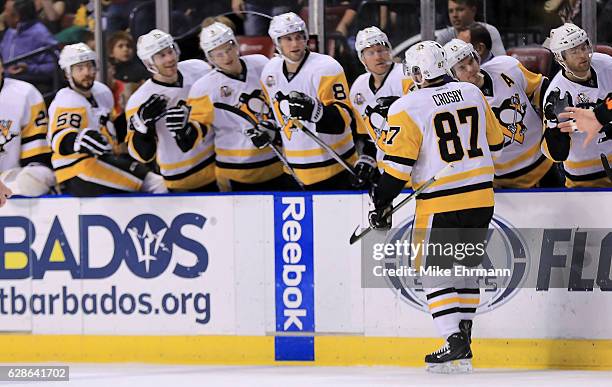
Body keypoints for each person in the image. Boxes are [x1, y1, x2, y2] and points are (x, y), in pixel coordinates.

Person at [370, 41, 504, 373]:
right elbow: (497, 143)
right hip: (481, 198)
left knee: (434, 272)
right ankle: (464, 338)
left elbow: (397, 167)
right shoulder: (471, 93)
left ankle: (450, 338)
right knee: (464, 270)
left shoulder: (407, 106)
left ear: (418, 72)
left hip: (441, 201)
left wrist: (381, 201)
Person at [260, 12, 370, 190]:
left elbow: (345, 119)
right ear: (277, 43)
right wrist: (270, 128)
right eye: (288, 39)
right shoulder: (269, 72)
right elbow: (279, 117)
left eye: (299, 37)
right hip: (293, 172)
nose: (295, 43)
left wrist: (315, 112)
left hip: (337, 167)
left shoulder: (326, 67)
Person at [48, 43, 166, 196]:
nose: (87, 73)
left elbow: (112, 128)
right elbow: (59, 138)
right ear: (67, 74)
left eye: (90, 67)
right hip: (75, 169)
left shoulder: (101, 91)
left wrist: (139, 118)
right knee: (154, 183)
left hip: (103, 160)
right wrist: (79, 140)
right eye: (80, 68)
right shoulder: (66, 100)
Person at [443, 38, 558, 188]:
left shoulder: (506, 67)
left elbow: (541, 89)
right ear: (453, 75)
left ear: (477, 57)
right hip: (502, 182)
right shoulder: (456, 104)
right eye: (462, 68)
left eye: (471, 61)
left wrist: (553, 127)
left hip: (545, 165)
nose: (470, 69)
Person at [188, 22, 286, 191]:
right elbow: (197, 131)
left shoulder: (261, 64)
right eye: (218, 54)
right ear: (209, 57)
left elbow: (280, 102)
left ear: (236, 44)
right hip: (236, 173)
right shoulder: (202, 88)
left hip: (278, 164)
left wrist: (275, 128)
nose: (226, 57)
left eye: (228, 48)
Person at [126, 29, 215, 192]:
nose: (170, 58)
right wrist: (142, 127)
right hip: (181, 179)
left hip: (216, 166)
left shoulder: (199, 69)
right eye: (161, 55)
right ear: (149, 63)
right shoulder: (139, 101)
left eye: (170, 50)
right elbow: (142, 155)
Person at [541, 23, 612, 187]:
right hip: (584, 175)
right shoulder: (556, 96)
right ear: (561, 58)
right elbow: (558, 153)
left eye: (584, 47)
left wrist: (598, 115)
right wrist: (556, 133)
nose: (583, 55)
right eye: (574, 51)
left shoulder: (607, 64)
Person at [349, 26, 413, 178]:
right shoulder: (358, 88)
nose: (378, 57)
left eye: (382, 50)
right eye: (371, 52)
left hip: (413, 163)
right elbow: (369, 137)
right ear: (362, 58)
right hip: (385, 170)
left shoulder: (406, 77)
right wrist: (367, 160)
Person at [0, 55, 55, 196]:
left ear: (1, 67)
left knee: (32, 180)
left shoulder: (25, 94)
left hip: (12, 179)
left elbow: (36, 157)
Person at [0, 0, 58, 88]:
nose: (3, 14)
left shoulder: (41, 34)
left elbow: (55, 66)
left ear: (16, 17)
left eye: (6, 11)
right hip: (6, 83)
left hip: (32, 86)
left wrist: (29, 69)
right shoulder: (10, 31)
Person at [436, 0, 505, 57]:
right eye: (451, 11)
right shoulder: (444, 36)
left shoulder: (489, 31)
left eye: (460, 9)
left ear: (473, 10)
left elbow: (501, 62)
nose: (454, 15)